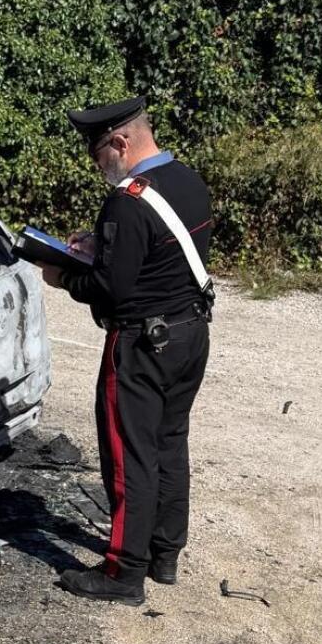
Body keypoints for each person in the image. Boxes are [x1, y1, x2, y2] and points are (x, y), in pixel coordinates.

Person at [38, 96, 213, 606]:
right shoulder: (186, 179)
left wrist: (63, 274)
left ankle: (123, 573)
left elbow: (111, 289)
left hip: (141, 344)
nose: (99, 169)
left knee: (129, 455)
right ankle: (164, 554)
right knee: (169, 444)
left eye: (99, 157)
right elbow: (161, 255)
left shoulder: (127, 200)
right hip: (190, 333)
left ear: (120, 142)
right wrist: (102, 246)